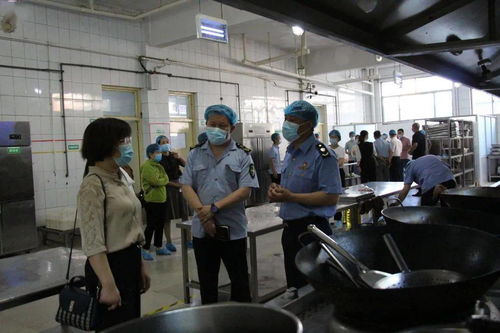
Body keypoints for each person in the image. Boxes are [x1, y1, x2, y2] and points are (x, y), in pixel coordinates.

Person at [180, 104, 259, 304]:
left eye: (222, 125)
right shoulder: (195, 154)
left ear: (231, 129)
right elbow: (187, 186)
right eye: (212, 124)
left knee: (239, 282)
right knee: (207, 284)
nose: (216, 128)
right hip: (202, 230)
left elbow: (245, 190)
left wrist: (214, 208)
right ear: (205, 124)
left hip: (232, 229)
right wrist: (203, 214)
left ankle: (240, 323)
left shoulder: (242, 154)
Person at [78, 118, 150, 330]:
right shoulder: (93, 184)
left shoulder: (121, 176)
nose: (128, 145)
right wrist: (108, 285)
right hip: (109, 267)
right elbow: (93, 243)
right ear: (106, 144)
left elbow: (133, 226)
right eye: (123, 140)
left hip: (130, 261)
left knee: (130, 324)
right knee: (114, 326)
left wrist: (140, 266)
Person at [268, 100, 342, 289]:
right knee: (295, 285)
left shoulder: (322, 155)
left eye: (292, 120)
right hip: (290, 229)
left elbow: (330, 196)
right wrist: (276, 191)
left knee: (316, 286)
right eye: (286, 119)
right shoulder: (291, 152)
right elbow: (290, 188)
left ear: (307, 125)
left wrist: (290, 197)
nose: (286, 125)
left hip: (312, 231)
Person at [155, 135, 189, 254]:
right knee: (167, 216)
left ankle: (188, 239)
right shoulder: (158, 159)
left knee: (185, 212)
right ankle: (169, 241)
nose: (165, 144)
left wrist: (179, 157)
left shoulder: (173, 156)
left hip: (179, 185)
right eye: (163, 142)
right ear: (158, 145)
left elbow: (187, 166)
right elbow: (161, 178)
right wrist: (176, 185)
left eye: (167, 141)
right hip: (167, 188)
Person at [140, 144, 170, 260]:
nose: (159, 154)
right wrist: (163, 179)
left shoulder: (158, 165)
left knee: (160, 224)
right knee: (151, 225)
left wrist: (163, 179)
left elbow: (165, 179)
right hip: (152, 200)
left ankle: (159, 246)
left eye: (160, 152)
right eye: (157, 152)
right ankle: (145, 248)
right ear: (150, 154)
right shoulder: (147, 166)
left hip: (162, 199)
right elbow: (156, 181)